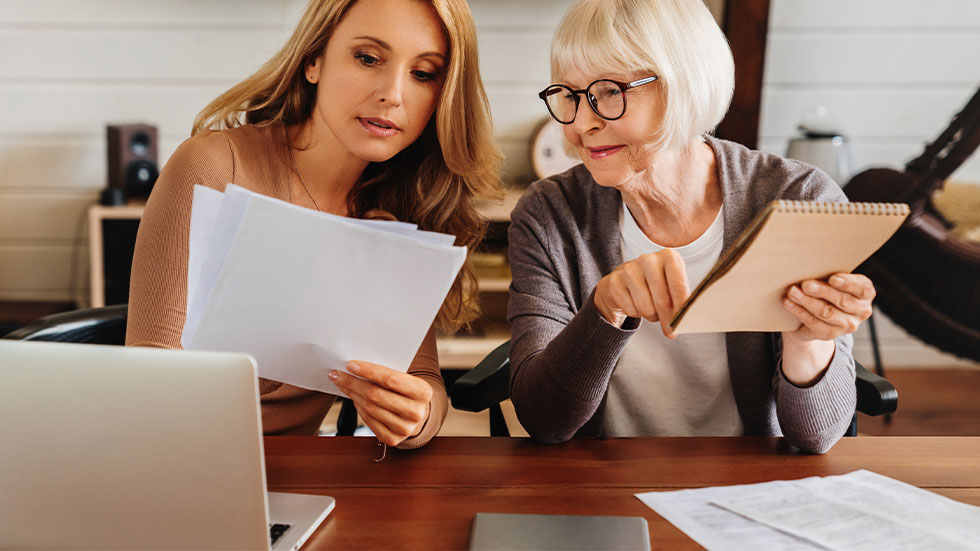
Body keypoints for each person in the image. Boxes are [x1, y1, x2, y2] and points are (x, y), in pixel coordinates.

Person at [126, 0, 500, 448]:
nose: (393, 94)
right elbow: (150, 377)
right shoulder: (214, 167)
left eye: (423, 74)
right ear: (313, 60)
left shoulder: (398, 206)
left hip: (300, 480)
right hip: (179, 463)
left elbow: (423, 379)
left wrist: (415, 418)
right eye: (368, 58)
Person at [507, 0, 871, 453]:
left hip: (750, 485)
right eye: (570, 95)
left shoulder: (800, 199)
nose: (581, 125)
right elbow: (544, 420)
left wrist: (808, 343)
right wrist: (604, 310)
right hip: (603, 484)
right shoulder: (549, 214)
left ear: (685, 86)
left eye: (611, 92)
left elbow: (816, 437)